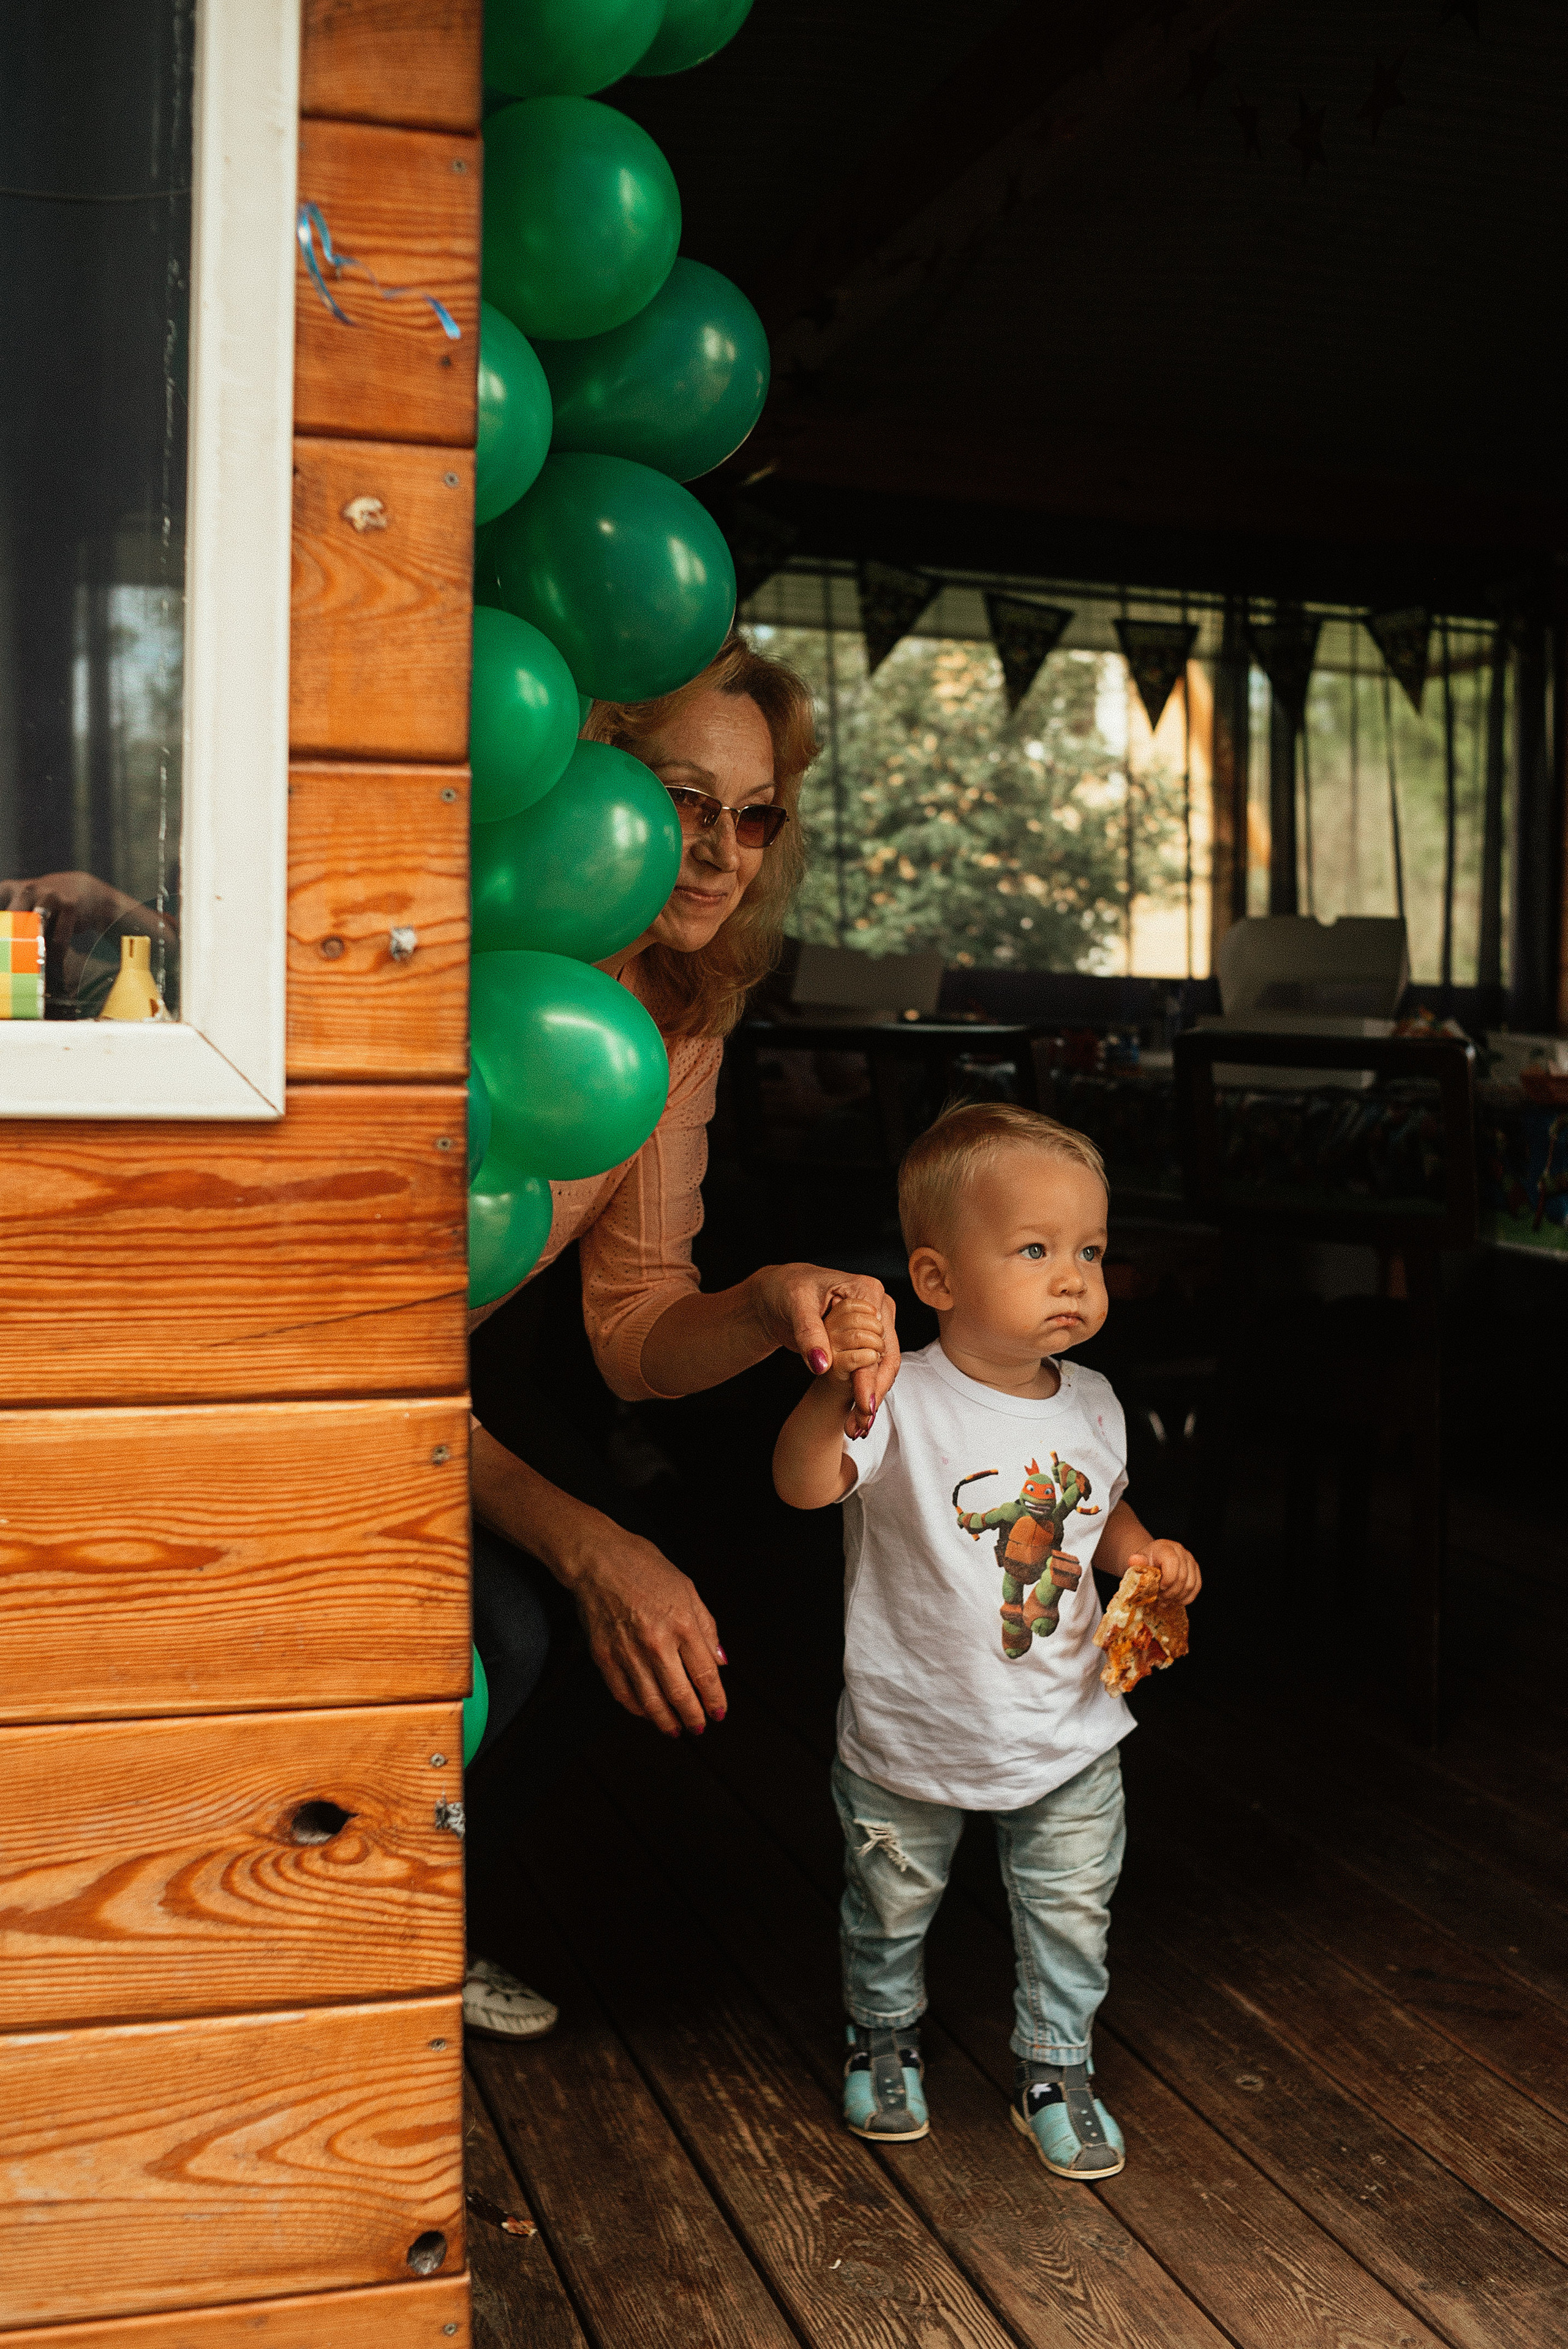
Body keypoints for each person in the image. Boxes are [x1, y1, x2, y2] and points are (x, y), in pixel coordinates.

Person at [465, 628, 899, 2043]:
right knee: (516, 1624)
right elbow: (344, 1353)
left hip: (423, 1396)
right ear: (585, 779)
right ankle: (342, 1961)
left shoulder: (681, 1009)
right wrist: (590, 1543)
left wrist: (772, 1299)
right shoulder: (469, 959)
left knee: (623, 1631)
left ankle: (422, 1927)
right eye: (680, 799)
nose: (721, 853)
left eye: (751, 813)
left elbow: (634, 1328)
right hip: (303, 1386)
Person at [772, 1100, 1200, 2178]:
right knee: (890, 1900)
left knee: (1069, 1911)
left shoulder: (1096, 1402)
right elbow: (801, 1485)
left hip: (1067, 1728)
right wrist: (835, 1391)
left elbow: (1102, 1516)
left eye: (1091, 1252)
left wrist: (1149, 1556)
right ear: (937, 1280)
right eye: (1036, 1250)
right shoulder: (900, 1396)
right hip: (912, 1726)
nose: (1074, 1277)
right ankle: (883, 2036)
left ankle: (1057, 2067)